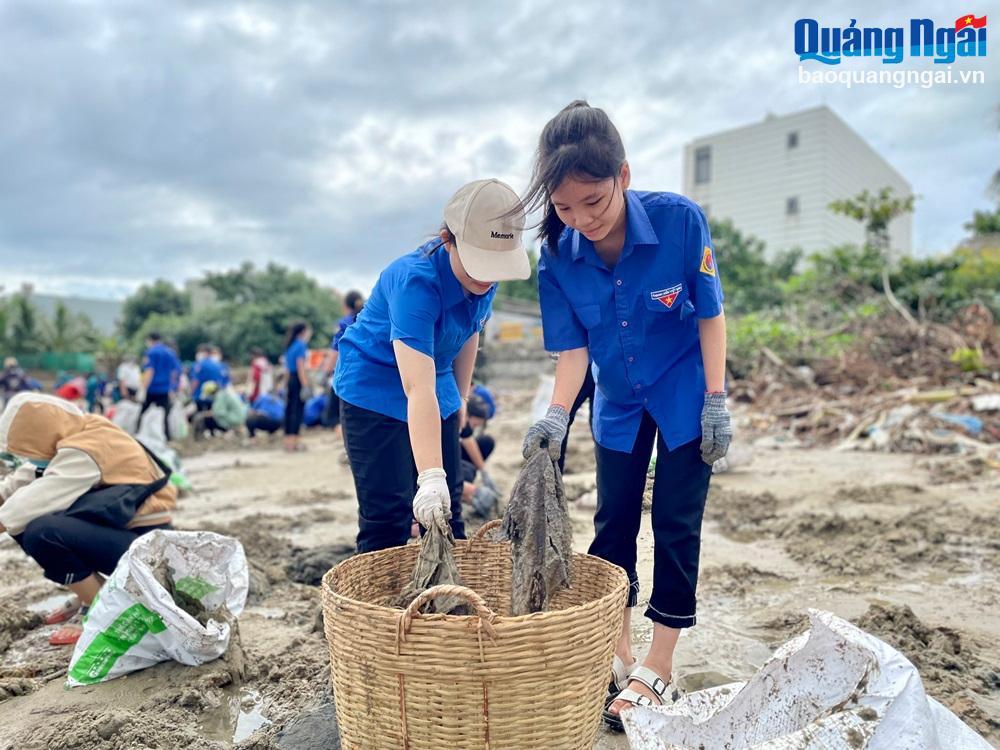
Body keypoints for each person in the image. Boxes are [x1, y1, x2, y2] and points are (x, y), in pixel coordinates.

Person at [519, 101, 731, 730]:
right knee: (611, 525)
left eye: (594, 201)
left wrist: (717, 398)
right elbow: (574, 350)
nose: (581, 219)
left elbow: (709, 315)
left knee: (674, 520)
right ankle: (615, 651)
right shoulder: (556, 257)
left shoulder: (680, 223)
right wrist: (557, 414)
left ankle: (659, 665)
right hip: (616, 400)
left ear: (624, 176)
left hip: (685, 393)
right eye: (563, 208)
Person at [334, 179, 530, 553]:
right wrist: (430, 475)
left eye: (494, 268)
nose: (486, 279)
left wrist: (458, 397)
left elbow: (470, 331)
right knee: (388, 517)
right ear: (447, 238)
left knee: (448, 512)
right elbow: (416, 388)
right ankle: (376, 610)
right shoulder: (416, 282)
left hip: (435, 377)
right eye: (478, 266)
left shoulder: (487, 275)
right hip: (375, 385)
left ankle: (446, 604)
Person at [0, 393, 176, 645]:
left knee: (41, 531)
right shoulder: (78, 430)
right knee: (36, 522)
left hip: (148, 551)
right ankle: (96, 591)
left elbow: (24, 506)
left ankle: (100, 609)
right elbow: (23, 480)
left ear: (41, 435)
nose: (27, 458)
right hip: (126, 537)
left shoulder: (84, 452)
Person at [321, 290, 366, 434]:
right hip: (365, 374)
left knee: (335, 417)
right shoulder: (366, 320)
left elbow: (336, 350)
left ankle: (346, 450)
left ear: (346, 306)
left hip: (345, 376)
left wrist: (325, 372)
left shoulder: (344, 323)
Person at [140, 332, 181, 440]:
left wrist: (143, 387)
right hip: (165, 389)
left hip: (153, 388)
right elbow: (174, 372)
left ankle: (138, 434)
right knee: (165, 415)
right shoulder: (170, 353)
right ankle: (167, 437)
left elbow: (149, 370)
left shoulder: (151, 352)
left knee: (143, 412)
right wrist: (173, 388)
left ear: (150, 340)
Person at [283, 322, 312, 452]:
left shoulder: (290, 345)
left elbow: (287, 369)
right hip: (298, 380)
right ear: (303, 332)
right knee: (297, 411)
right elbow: (301, 367)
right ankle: (295, 442)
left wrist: (285, 384)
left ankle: (287, 442)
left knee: (289, 410)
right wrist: (305, 385)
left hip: (290, 380)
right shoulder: (301, 345)